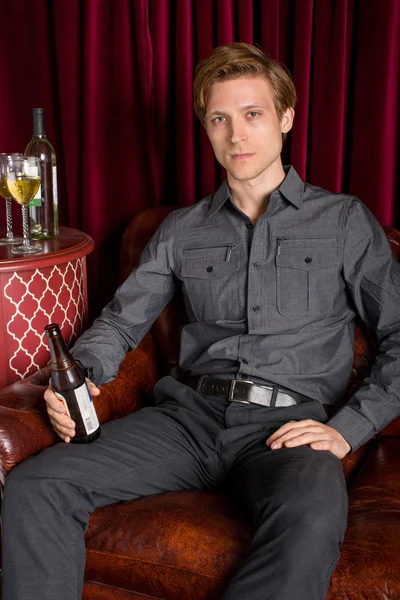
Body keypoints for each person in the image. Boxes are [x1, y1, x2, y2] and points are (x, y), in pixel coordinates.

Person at [2, 42, 400, 600]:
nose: (237, 134)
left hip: (288, 429)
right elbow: (120, 322)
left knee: (308, 522)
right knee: (37, 485)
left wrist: (347, 429)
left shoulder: (344, 221)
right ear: (207, 130)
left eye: (253, 114)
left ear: (286, 118)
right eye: (220, 118)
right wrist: (81, 376)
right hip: (189, 419)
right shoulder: (181, 230)